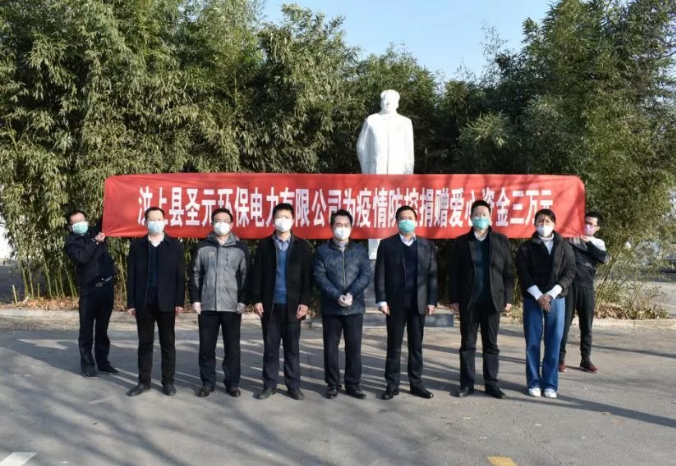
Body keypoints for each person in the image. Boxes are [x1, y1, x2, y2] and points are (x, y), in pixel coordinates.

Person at [449, 200, 514, 399]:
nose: (480, 217)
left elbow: (508, 273)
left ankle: (491, 384)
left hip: (493, 301)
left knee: (491, 345)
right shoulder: (461, 242)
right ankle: (467, 384)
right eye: (477, 214)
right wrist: (454, 298)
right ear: (470, 217)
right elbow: (454, 273)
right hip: (469, 301)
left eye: (484, 214)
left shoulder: (501, 240)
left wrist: (508, 297)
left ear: (490, 217)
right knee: (468, 344)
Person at [374, 205, 438, 400]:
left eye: (410, 217)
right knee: (394, 345)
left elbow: (432, 275)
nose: (406, 221)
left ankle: (416, 384)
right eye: (402, 218)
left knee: (416, 346)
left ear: (416, 221)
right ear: (397, 222)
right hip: (395, 304)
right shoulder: (387, 245)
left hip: (418, 303)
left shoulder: (427, 245)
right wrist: (381, 300)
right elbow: (380, 274)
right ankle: (392, 384)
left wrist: (432, 300)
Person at [250, 203, 312, 401]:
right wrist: (257, 299)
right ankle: (269, 385)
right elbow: (257, 275)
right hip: (270, 305)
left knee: (292, 348)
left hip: (293, 306)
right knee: (270, 348)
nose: (282, 220)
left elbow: (307, 278)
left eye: (286, 217)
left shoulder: (302, 246)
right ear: (273, 220)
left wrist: (305, 302)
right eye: (279, 217)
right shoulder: (265, 245)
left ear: (293, 220)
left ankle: (293, 386)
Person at [190, 208, 250, 398]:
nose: (221, 224)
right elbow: (195, 273)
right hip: (207, 305)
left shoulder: (240, 248)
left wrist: (243, 300)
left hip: (232, 306)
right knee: (206, 347)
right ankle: (208, 382)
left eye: (225, 221)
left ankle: (232, 383)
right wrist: (195, 299)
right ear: (212, 223)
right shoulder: (202, 247)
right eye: (217, 220)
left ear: (232, 224)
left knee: (232, 348)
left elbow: (246, 275)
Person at [516, 209, 576, 399]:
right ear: (534, 224)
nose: (544, 224)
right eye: (540, 221)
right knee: (533, 341)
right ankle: (534, 382)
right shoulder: (526, 248)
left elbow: (570, 271)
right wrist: (538, 296)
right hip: (533, 298)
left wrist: (550, 295)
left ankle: (550, 384)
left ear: (554, 223)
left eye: (548, 221)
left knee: (553, 341)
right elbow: (523, 273)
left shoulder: (564, 246)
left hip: (556, 298)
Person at [126, 207, 185, 397]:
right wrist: (131, 302)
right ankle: (144, 382)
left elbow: (180, 276)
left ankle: (168, 382)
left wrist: (179, 301)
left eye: (159, 219)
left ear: (165, 221)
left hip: (167, 302)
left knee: (168, 343)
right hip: (144, 302)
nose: (155, 222)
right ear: (145, 222)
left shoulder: (174, 245)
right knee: (145, 344)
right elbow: (131, 276)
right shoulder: (137, 246)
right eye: (152, 219)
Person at [313, 209, 372, 399]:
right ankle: (332, 384)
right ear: (331, 227)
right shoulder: (322, 251)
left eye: (346, 225)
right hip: (332, 307)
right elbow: (319, 276)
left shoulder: (360, 250)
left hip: (355, 307)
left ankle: (353, 384)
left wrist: (351, 294)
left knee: (354, 347)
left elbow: (365, 275)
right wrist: (337, 296)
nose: (342, 228)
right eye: (338, 225)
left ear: (351, 227)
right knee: (331, 348)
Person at [356, 89, 415, 260]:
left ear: (397, 103)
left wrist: (408, 175)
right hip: (376, 173)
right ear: (381, 102)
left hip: (398, 175)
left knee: (397, 211)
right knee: (377, 210)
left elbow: (409, 151)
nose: (388, 102)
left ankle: (397, 248)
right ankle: (374, 252)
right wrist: (367, 171)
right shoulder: (372, 120)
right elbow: (361, 147)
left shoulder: (405, 122)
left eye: (392, 100)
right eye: (385, 99)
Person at [63, 210, 118, 378]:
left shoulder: (96, 231)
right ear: (70, 227)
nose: (80, 223)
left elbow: (108, 216)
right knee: (86, 330)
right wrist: (95, 242)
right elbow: (82, 257)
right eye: (76, 222)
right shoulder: (71, 243)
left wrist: (113, 198)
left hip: (106, 287)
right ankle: (87, 365)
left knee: (102, 329)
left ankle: (103, 362)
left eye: (82, 219)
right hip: (89, 290)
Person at [559, 212, 608, 374]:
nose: (587, 226)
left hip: (587, 287)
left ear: (597, 228)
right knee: (564, 324)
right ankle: (560, 359)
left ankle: (585, 360)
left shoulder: (598, 243)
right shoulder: (570, 238)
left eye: (591, 224)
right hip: (569, 286)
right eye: (585, 222)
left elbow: (602, 258)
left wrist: (588, 243)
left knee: (586, 326)